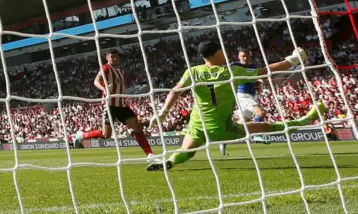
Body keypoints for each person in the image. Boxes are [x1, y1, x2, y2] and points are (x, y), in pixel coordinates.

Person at [146, 40, 325, 171]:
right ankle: (306, 120)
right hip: (221, 128)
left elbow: (175, 91)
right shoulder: (232, 71)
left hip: (197, 126)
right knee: (269, 127)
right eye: (221, 51)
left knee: (187, 151)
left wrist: (163, 113)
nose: (224, 53)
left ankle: (169, 162)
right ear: (216, 53)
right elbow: (265, 71)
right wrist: (292, 60)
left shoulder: (193, 72)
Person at [73, 49, 154, 159]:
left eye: (116, 57)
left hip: (122, 105)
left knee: (137, 128)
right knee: (106, 135)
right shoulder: (106, 68)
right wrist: (105, 89)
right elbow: (96, 81)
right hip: (110, 105)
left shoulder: (120, 71)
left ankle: (150, 155)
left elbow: (122, 85)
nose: (115, 59)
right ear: (107, 58)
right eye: (112, 57)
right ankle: (82, 135)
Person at [220, 48, 269, 157]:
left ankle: (224, 140)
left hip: (250, 96)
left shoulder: (252, 67)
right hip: (242, 95)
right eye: (243, 56)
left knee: (241, 126)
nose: (245, 58)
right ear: (239, 57)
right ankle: (256, 135)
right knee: (261, 112)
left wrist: (261, 80)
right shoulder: (235, 66)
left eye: (247, 56)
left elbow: (255, 77)